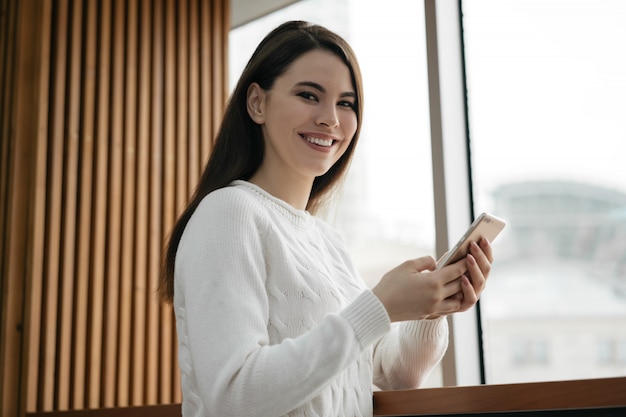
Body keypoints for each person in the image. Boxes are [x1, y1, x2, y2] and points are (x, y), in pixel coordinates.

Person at [159, 20, 493, 417]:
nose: (330, 119)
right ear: (257, 103)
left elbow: (393, 375)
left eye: (346, 103)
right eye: (308, 95)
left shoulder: (326, 242)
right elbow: (233, 397)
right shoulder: (228, 213)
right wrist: (380, 306)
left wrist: (433, 306)